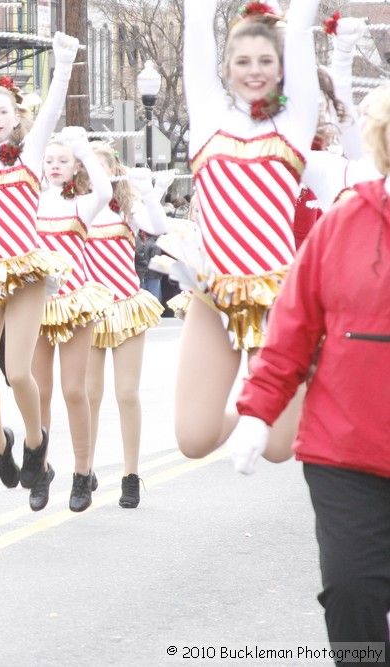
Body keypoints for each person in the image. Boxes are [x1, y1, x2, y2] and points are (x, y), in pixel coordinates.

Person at [224, 85, 390, 655]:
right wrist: (256, 413)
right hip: (346, 453)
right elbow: (293, 329)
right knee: (352, 595)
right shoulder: (345, 221)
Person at [167, 0, 320, 462]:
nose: (254, 71)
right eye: (243, 62)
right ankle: (254, 416)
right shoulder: (209, 116)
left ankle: (291, 406)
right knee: (193, 440)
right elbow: (197, 24)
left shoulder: (293, 122)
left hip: (278, 298)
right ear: (227, 68)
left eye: (266, 61)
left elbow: (300, 30)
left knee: (278, 449)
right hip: (214, 293)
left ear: (281, 69)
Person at [0, 32, 79, 512]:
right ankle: (0, 447)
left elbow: (53, 108)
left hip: (28, 272)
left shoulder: (29, 155)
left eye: (3, 112)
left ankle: (37, 445)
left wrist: (65, 60)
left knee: (17, 372)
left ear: (16, 119)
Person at [85, 147, 173, 509]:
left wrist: (151, 192)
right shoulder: (76, 205)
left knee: (126, 393)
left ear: (114, 171)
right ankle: (83, 468)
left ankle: (131, 474)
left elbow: (158, 227)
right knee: (88, 394)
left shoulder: (126, 208)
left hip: (124, 306)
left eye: (101, 168)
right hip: (88, 309)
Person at [31, 127, 114, 512]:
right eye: (49, 160)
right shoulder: (31, 202)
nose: (54, 167)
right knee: (38, 391)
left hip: (76, 302)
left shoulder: (82, 204)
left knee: (73, 390)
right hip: (37, 305)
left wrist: (82, 148)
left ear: (75, 166)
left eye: (63, 161)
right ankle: (41, 466)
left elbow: (106, 192)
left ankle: (83, 472)